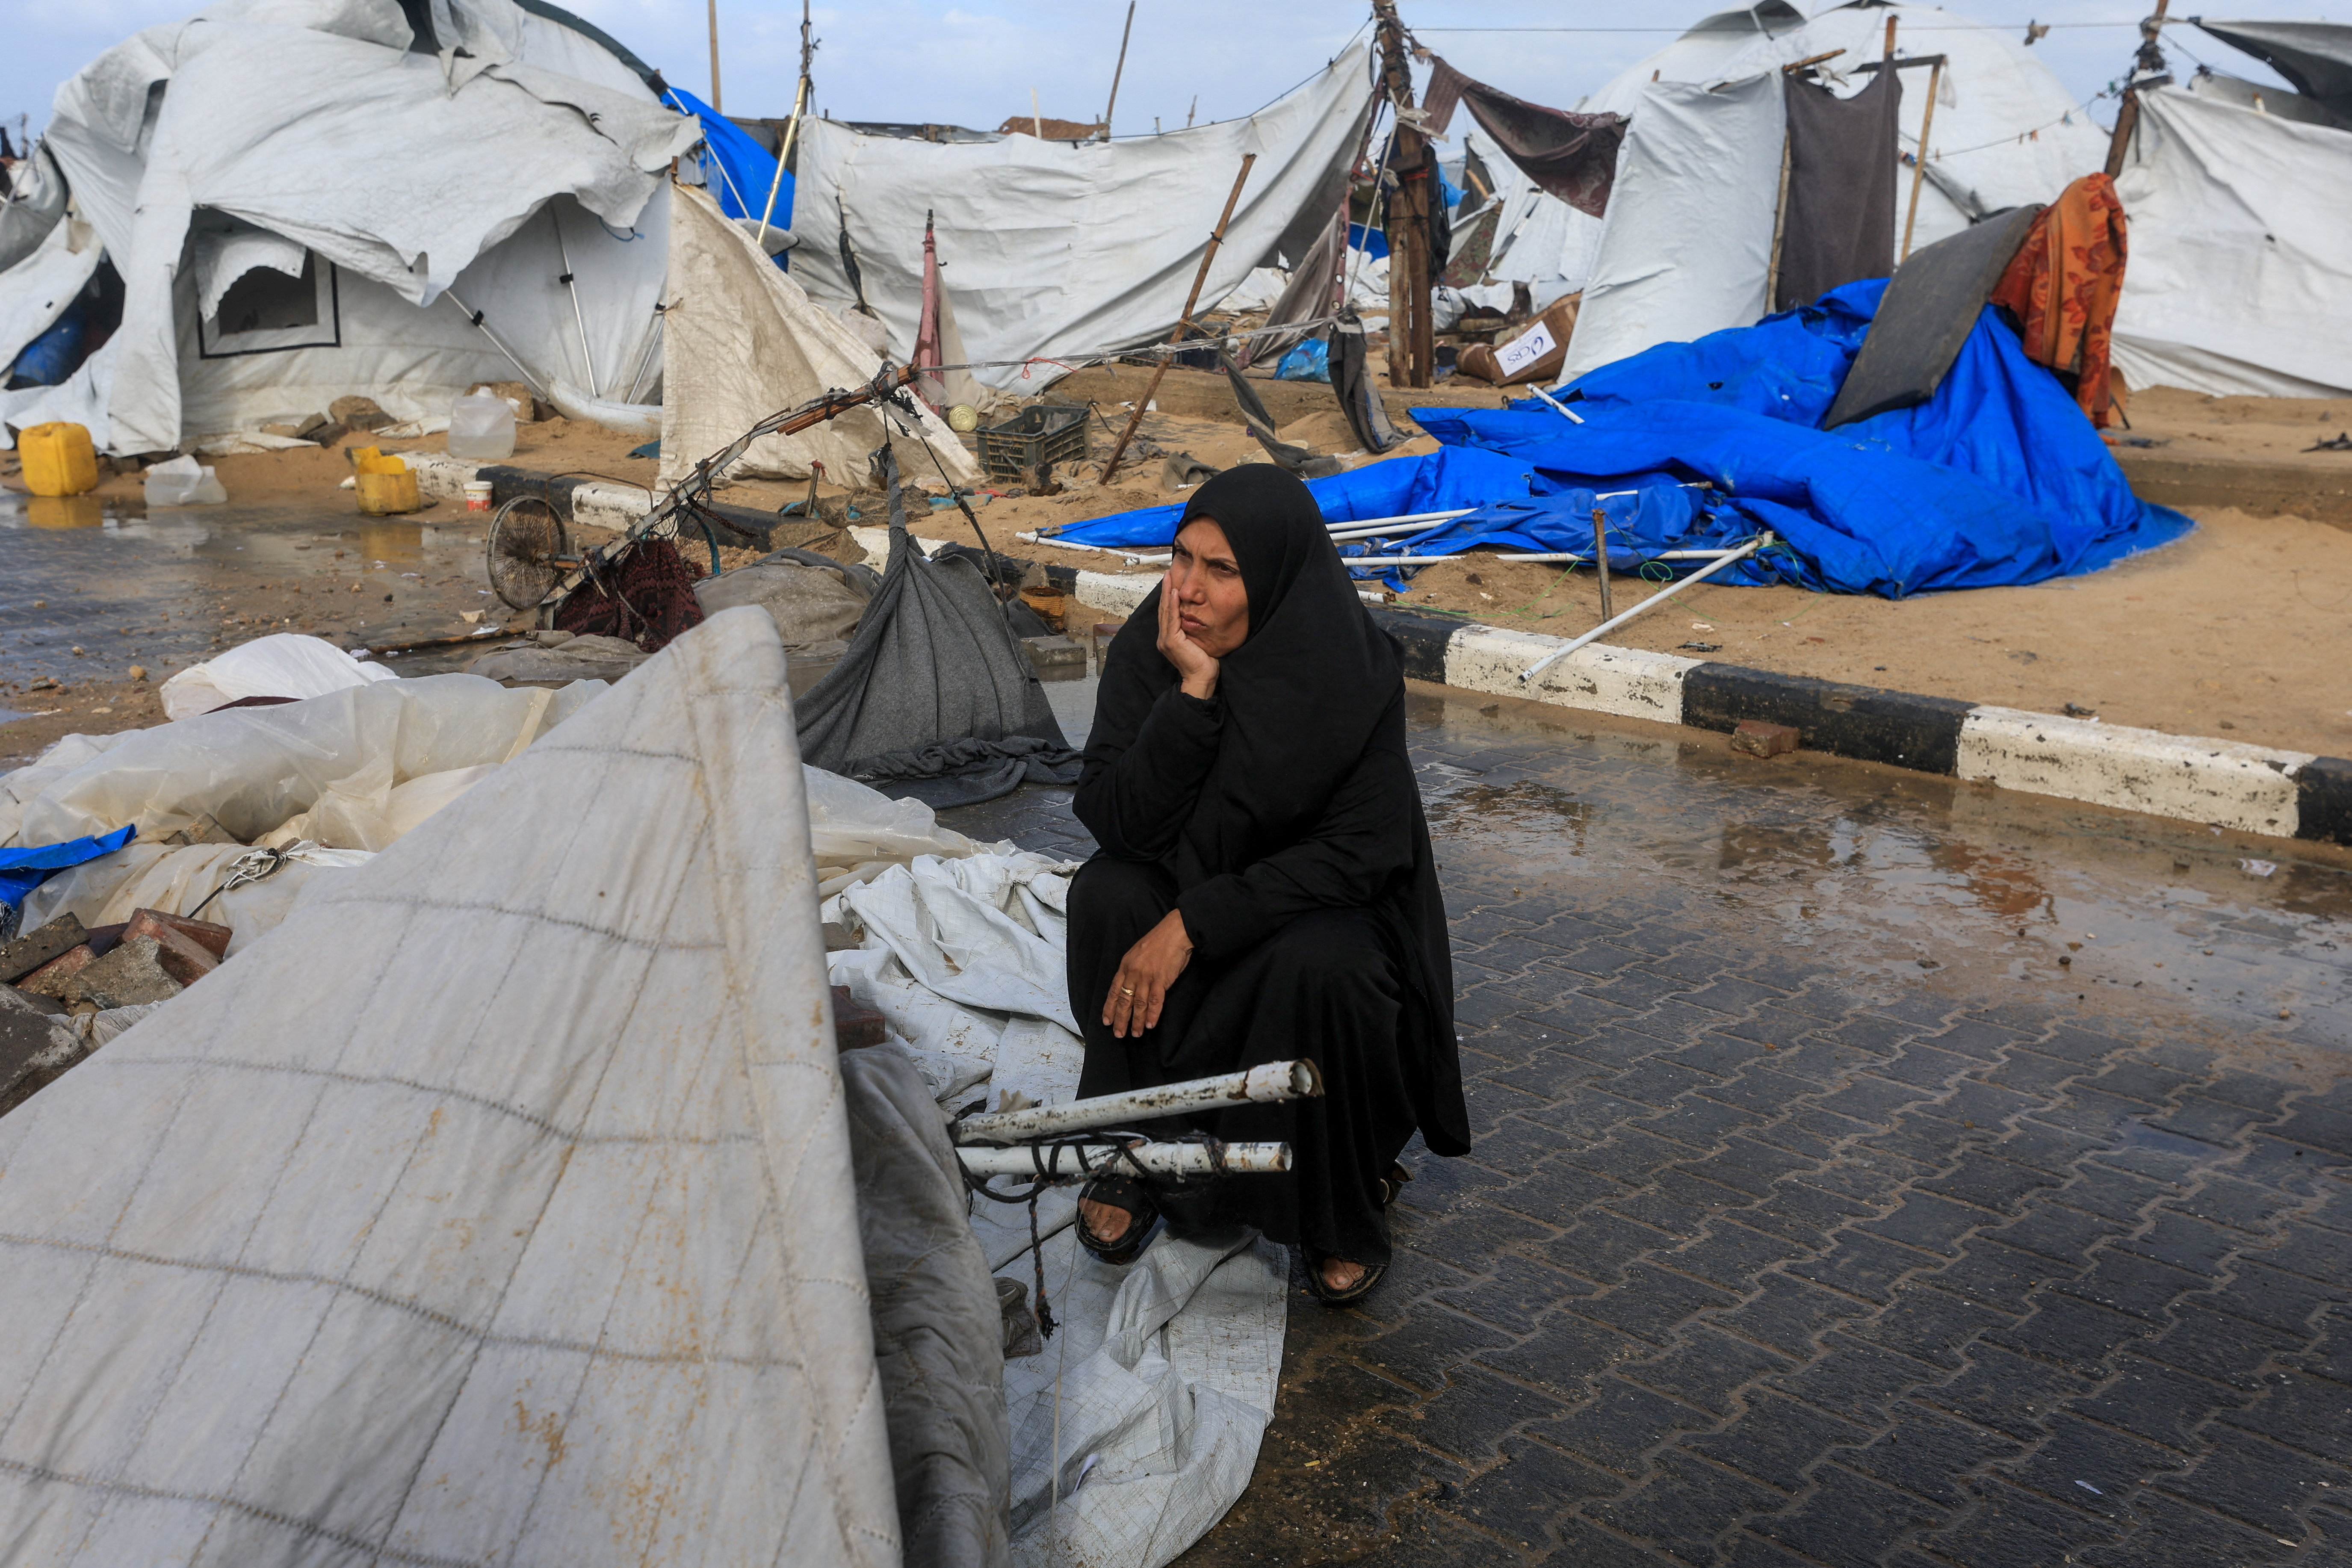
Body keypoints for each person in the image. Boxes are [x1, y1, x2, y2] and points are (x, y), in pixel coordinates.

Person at [1064, 464, 1469, 1304]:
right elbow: (1117, 819)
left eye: (1222, 569)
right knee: (1108, 893)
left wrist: (1193, 924)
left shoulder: (1349, 671)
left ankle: (1338, 1207)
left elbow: (1358, 851)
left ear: (1275, 576)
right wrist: (1192, 697)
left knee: (1325, 964)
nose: (1189, 589)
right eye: (1181, 558)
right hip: (1192, 892)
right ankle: (1141, 1151)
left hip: (1301, 913)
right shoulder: (1155, 648)